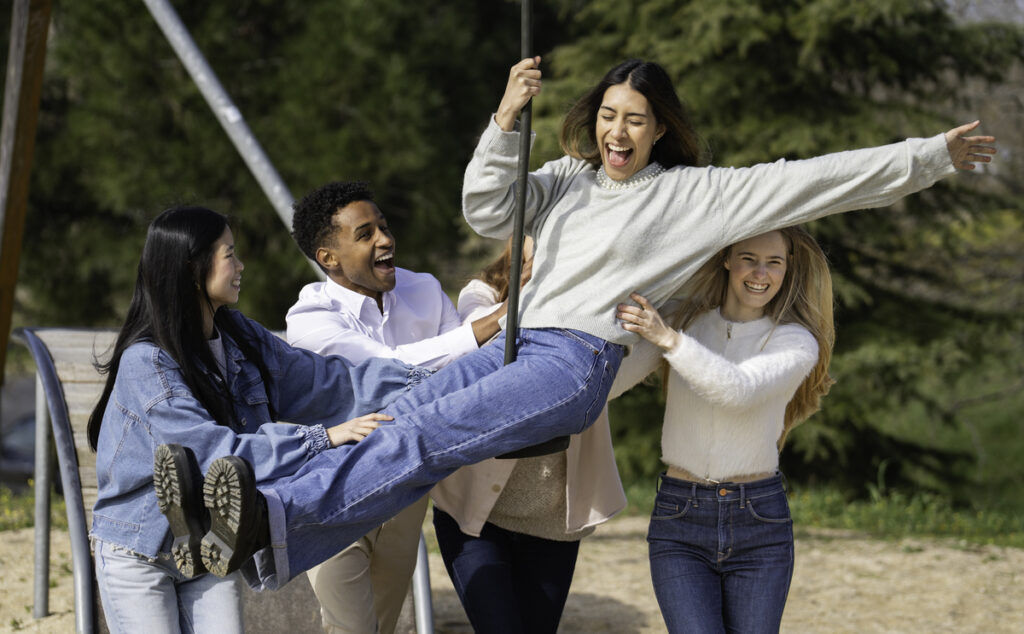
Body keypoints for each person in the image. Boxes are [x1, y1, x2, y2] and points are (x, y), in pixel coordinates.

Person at [157, 57, 994, 593]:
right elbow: (484, 205)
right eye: (606, 114)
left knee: (424, 435)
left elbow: (819, 180)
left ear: (660, 127)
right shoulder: (565, 179)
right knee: (403, 415)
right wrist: (508, 116)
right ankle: (246, 525)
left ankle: (263, 521)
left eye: (634, 118)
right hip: (523, 341)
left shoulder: (692, 196)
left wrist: (929, 156)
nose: (616, 130)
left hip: (574, 363)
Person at [87, 206, 425, 633]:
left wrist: (425, 379)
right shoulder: (147, 362)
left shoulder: (240, 339)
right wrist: (321, 439)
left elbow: (329, 383)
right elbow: (213, 454)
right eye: (230, 254)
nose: (241, 265)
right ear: (194, 267)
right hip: (139, 549)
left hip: (211, 545)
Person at [285, 181, 506, 634]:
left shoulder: (423, 289)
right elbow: (389, 370)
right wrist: (485, 327)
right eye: (365, 234)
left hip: (407, 492)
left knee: (382, 627)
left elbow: (461, 374)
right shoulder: (309, 318)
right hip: (333, 494)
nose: (385, 239)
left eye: (383, 226)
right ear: (329, 257)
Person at [615, 226, 834, 633]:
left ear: (788, 270)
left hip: (759, 523)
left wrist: (667, 339)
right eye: (749, 258)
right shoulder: (687, 323)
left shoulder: (796, 342)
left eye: (774, 263)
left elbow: (737, 391)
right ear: (727, 259)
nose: (761, 273)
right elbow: (613, 384)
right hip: (679, 516)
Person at [430, 236, 627, 634]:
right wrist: (530, 290)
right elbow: (485, 341)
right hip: (474, 517)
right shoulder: (482, 294)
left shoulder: (597, 308)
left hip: (550, 521)